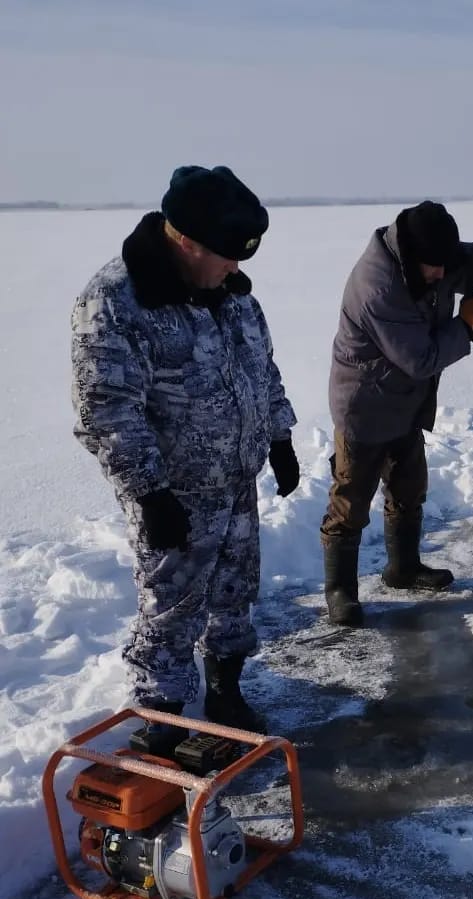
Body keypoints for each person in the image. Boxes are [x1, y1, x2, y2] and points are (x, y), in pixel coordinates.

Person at [71, 165, 299, 742]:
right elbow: (106, 409)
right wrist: (148, 492)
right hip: (175, 492)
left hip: (236, 480)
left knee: (233, 595)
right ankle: (162, 721)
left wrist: (279, 436)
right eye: (227, 254)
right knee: (170, 611)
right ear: (186, 241)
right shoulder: (116, 303)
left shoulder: (228, 292)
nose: (237, 268)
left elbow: (260, 368)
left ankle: (225, 692)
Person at [322, 199, 473, 626]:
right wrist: (463, 326)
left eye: (444, 266)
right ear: (412, 259)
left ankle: (403, 568)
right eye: (434, 268)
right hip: (365, 405)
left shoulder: (431, 255)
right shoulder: (378, 288)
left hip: (407, 401)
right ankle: (340, 590)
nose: (441, 276)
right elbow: (421, 357)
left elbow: (465, 266)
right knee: (351, 500)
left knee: (409, 486)